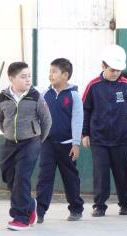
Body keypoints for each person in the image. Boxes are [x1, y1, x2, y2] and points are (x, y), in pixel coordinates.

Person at [82, 44, 127, 217]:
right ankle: (99, 206)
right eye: (112, 69)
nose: (116, 73)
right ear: (103, 66)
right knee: (101, 173)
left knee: (122, 172)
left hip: (120, 138)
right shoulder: (93, 86)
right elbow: (85, 110)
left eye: (119, 70)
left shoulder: (126, 85)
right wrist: (84, 134)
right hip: (98, 138)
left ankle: (124, 204)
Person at [0, 62, 52, 231]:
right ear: (11, 78)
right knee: (9, 177)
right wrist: (8, 132)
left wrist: (37, 139)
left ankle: (21, 217)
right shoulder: (3, 97)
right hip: (9, 143)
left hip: (30, 142)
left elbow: (47, 121)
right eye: (23, 76)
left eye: (29, 76)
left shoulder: (36, 96)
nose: (28, 79)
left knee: (21, 178)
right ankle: (29, 205)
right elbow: (0, 119)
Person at [36, 58, 84, 223]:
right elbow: (39, 118)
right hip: (47, 144)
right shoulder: (44, 95)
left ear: (65, 75)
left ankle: (76, 208)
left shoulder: (74, 96)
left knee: (70, 178)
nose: (51, 75)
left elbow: (77, 120)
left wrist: (76, 143)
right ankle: (40, 211)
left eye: (54, 72)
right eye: (50, 71)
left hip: (67, 145)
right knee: (44, 177)